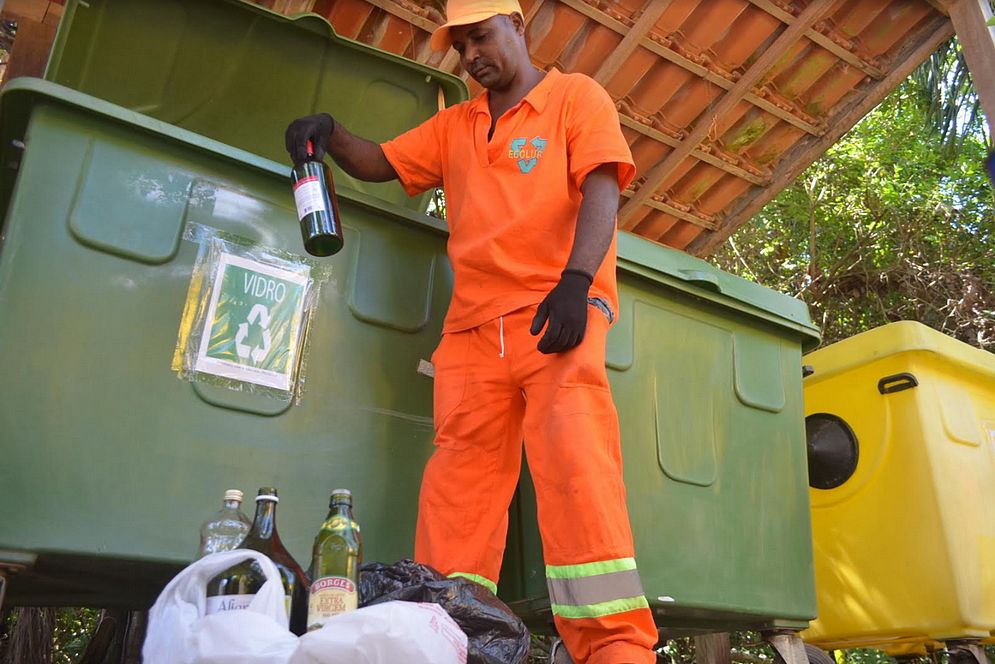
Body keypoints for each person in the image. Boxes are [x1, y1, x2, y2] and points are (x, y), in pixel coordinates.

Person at [285, 0, 658, 660]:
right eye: (461, 46)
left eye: (480, 37)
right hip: (472, 336)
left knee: (578, 477)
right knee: (456, 497)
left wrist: (576, 281)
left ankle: (614, 648)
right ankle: (449, 641)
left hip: (554, 319)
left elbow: (603, 187)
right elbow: (380, 163)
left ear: (518, 26)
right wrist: (331, 133)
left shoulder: (575, 97)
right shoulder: (456, 125)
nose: (471, 56)